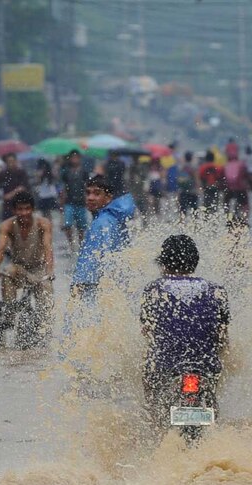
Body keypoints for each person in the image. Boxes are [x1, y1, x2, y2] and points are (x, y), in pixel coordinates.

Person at [141, 235, 229, 421]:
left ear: (164, 262)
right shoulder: (217, 291)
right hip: (205, 366)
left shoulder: (154, 289)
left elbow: (147, 332)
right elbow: (222, 338)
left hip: (166, 365)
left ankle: (153, 420)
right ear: (195, 262)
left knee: (148, 372)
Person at [0, 191, 55, 342]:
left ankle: (44, 332)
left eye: (27, 209)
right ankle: (10, 315)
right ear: (14, 210)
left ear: (32, 209)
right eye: (19, 209)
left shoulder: (43, 223)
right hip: (18, 268)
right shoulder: (7, 225)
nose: (23, 213)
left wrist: (50, 271)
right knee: (7, 273)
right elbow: (0, 248)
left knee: (46, 300)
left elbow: (48, 248)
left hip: (39, 269)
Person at [72, 175, 136, 300]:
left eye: (97, 194)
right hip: (117, 284)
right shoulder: (115, 217)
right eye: (88, 193)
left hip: (97, 288)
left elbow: (89, 262)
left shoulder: (101, 223)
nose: (90, 198)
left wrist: (76, 290)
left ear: (108, 198)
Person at [60, 149, 90, 249]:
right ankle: (71, 244)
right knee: (68, 225)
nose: (74, 159)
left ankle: (81, 245)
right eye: (73, 157)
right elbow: (64, 187)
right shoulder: (66, 171)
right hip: (69, 201)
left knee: (81, 227)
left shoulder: (84, 171)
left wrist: (88, 200)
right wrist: (61, 203)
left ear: (79, 158)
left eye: (76, 157)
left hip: (81, 201)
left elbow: (87, 187)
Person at [0, 152, 30, 220]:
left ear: (16, 161)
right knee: (6, 224)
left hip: (20, 202)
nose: (11, 163)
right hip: (7, 205)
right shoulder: (3, 173)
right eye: (9, 161)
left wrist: (10, 195)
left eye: (12, 161)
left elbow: (22, 187)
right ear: (6, 162)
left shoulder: (21, 172)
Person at [222, 154, 252, 225]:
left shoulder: (226, 165)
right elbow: (248, 176)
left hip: (228, 189)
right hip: (240, 188)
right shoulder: (242, 165)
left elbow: (222, 178)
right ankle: (245, 220)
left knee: (226, 203)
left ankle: (228, 218)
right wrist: (251, 185)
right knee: (245, 204)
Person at [176, 151, 199, 216]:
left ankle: (182, 224)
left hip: (182, 191)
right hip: (192, 191)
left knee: (182, 210)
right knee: (194, 210)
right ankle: (195, 224)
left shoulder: (181, 167)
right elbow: (196, 179)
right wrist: (198, 189)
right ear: (191, 158)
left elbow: (178, 180)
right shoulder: (193, 167)